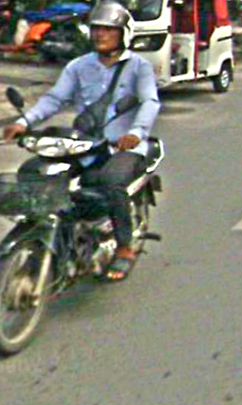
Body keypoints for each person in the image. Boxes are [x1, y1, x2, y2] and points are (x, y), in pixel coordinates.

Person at [2, 1, 161, 282]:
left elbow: (150, 102)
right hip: (87, 143)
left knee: (111, 182)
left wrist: (136, 131)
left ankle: (124, 248)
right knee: (36, 171)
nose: (100, 35)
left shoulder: (139, 67)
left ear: (123, 33)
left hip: (124, 146)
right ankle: (55, 235)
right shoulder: (79, 66)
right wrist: (24, 122)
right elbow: (55, 99)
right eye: (97, 29)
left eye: (108, 30)